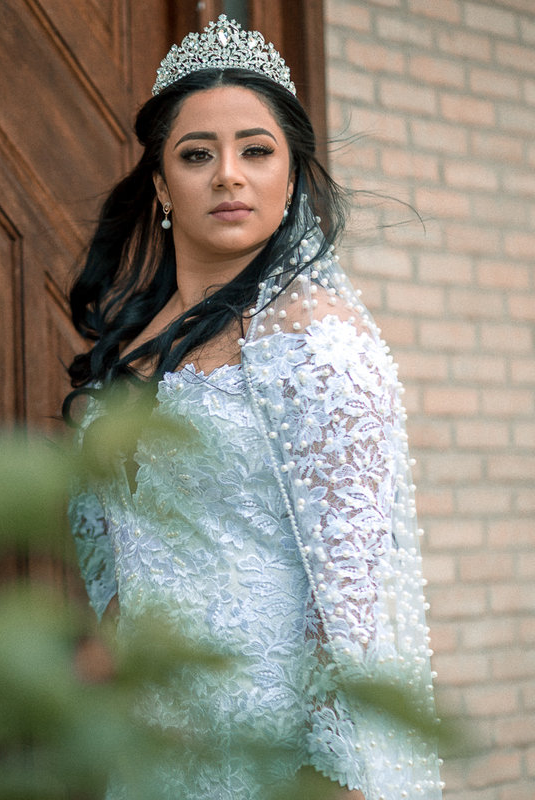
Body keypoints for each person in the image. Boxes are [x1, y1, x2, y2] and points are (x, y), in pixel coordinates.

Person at [65, 16, 442, 800]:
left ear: (293, 177)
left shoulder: (320, 347)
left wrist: (333, 779)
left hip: (275, 751)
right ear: (163, 186)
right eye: (197, 155)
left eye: (256, 150)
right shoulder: (130, 348)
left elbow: (352, 603)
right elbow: (123, 574)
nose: (228, 174)